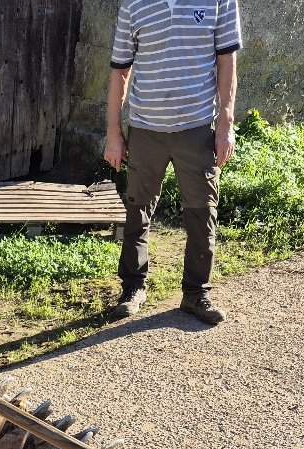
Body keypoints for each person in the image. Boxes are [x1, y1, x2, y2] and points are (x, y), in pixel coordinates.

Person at [104, 0, 241, 325]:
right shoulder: (133, 4)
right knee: (137, 211)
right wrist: (114, 132)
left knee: (201, 212)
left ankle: (196, 293)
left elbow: (227, 59)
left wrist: (225, 123)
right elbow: (120, 70)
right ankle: (133, 288)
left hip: (195, 129)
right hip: (145, 128)